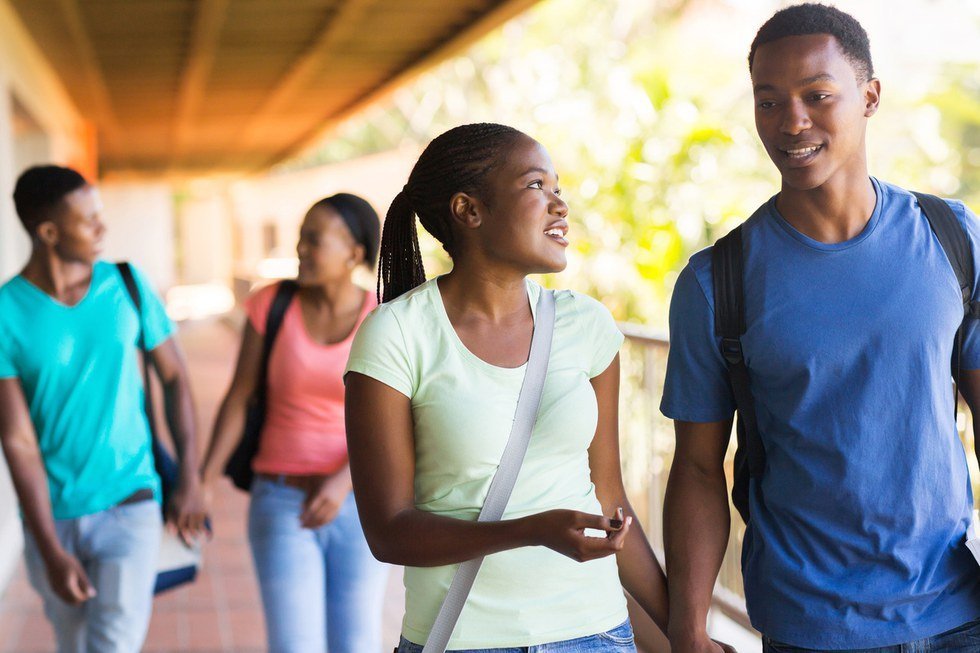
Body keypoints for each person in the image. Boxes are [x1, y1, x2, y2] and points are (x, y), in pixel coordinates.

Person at [661, 4, 980, 652]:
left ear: (870, 97)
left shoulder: (951, 237)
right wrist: (687, 624)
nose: (792, 121)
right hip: (810, 626)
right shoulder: (716, 282)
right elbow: (696, 468)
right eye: (768, 102)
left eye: (817, 95)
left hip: (957, 609)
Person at [344, 122, 677, 653]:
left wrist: (685, 632)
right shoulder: (397, 334)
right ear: (469, 210)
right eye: (536, 185)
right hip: (461, 638)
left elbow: (610, 496)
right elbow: (388, 532)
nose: (560, 205)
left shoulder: (587, 325)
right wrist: (529, 530)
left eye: (558, 188)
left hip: (595, 632)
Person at [0, 165, 208, 653]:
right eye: (88, 219)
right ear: (48, 232)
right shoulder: (6, 312)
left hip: (130, 500)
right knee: (72, 644)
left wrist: (191, 477)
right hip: (53, 517)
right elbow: (18, 439)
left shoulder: (126, 284)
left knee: (113, 644)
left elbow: (175, 379)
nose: (102, 228)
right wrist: (49, 548)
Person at [200, 193, 388, 653]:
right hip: (280, 500)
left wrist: (342, 482)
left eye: (314, 240)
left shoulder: (383, 316)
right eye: (301, 238)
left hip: (359, 503)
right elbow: (239, 396)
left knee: (356, 643)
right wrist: (202, 482)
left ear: (354, 253)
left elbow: (399, 421)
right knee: (293, 645)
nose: (301, 249)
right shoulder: (271, 304)